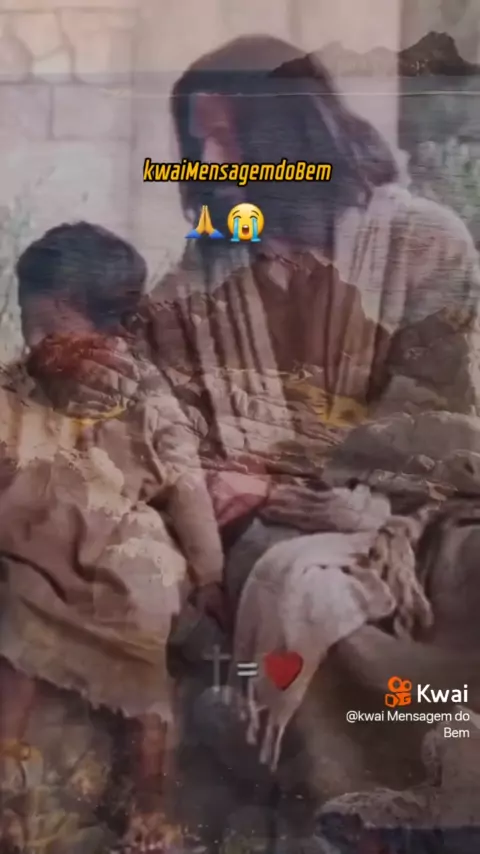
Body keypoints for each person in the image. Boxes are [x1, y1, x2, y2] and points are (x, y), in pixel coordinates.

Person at [126, 33, 480, 831]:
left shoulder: (425, 242)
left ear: (293, 136)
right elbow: (166, 418)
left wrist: (286, 472)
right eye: (198, 141)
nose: (209, 161)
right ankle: (353, 811)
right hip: (275, 527)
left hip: (420, 509)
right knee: (301, 589)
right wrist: (250, 486)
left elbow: (432, 416)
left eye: (228, 138)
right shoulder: (202, 273)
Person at [0, 222, 225, 853]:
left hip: (121, 548)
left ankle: (148, 807)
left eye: (48, 328)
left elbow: (185, 486)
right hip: (45, 551)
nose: (35, 342)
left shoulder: (144, 396)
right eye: (29, 328)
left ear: (108, 329)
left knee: (139, 647)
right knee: (19, 641)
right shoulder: (17, 387)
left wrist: (210, 572)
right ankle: (11, 799)